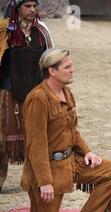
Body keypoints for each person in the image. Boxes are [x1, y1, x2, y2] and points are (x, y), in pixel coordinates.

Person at [0, 48, 111, 212]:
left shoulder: (66, 92)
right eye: (67, 67)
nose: (73, 69)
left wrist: (87, 152)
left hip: (71, 162)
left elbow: (72, 131)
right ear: (52, 71)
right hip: (49, 170)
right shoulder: (38, 98)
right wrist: (44, 182)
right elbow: (36, 145)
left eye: (72, 65)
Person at [0, 0, 53, 191]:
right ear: (17, 8)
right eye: (26, 6)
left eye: (34, 6)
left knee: (36, 137)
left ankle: (36, 179)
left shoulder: (42, 31)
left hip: (36, 92)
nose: (31, 10)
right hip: (7, 92)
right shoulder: (4, 30)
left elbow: (50, 60)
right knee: (2, 139)